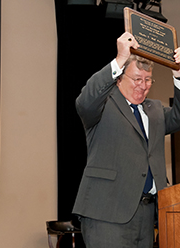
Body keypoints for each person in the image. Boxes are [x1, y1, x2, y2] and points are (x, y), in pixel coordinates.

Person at [72, 31, 180, 248]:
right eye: (137, 79)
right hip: (107, 214)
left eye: (148, 79)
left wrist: (178, 76)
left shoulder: (155, 110)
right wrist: (120, 59)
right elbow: (85, 101)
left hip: (149, 214)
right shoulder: (103, 106)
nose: (144, 85)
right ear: (120, 77)